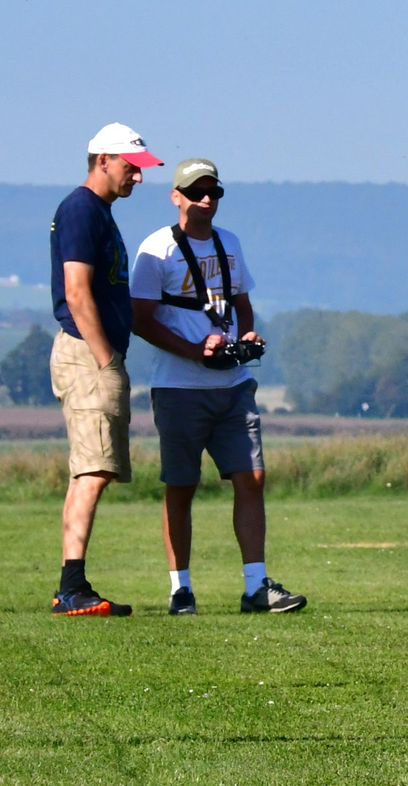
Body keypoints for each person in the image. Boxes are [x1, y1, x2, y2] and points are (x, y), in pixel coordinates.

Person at [131, 158, 306, 615]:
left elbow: (242, 304)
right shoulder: (156, 249)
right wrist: (194, 350)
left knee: (252, 478)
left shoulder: (231, 243)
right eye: (196, 191)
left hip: (234, 383)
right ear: (176, 196)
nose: (206, 199)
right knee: (181, 486)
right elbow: (140, 321)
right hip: (179, 388)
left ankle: (255, 586)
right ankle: (180, 589)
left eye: (214, 192)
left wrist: (244, 335)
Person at [49, 123, 161, 617]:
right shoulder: (81, 209)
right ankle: (72, 587)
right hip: (87, 354)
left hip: (91, 353)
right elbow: (76, 292)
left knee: (88, 473)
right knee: (94, 470)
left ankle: (70, 585)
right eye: (131, 168)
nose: (137, 178)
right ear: (103, 161)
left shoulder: (98, 212)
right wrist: (105, 358)